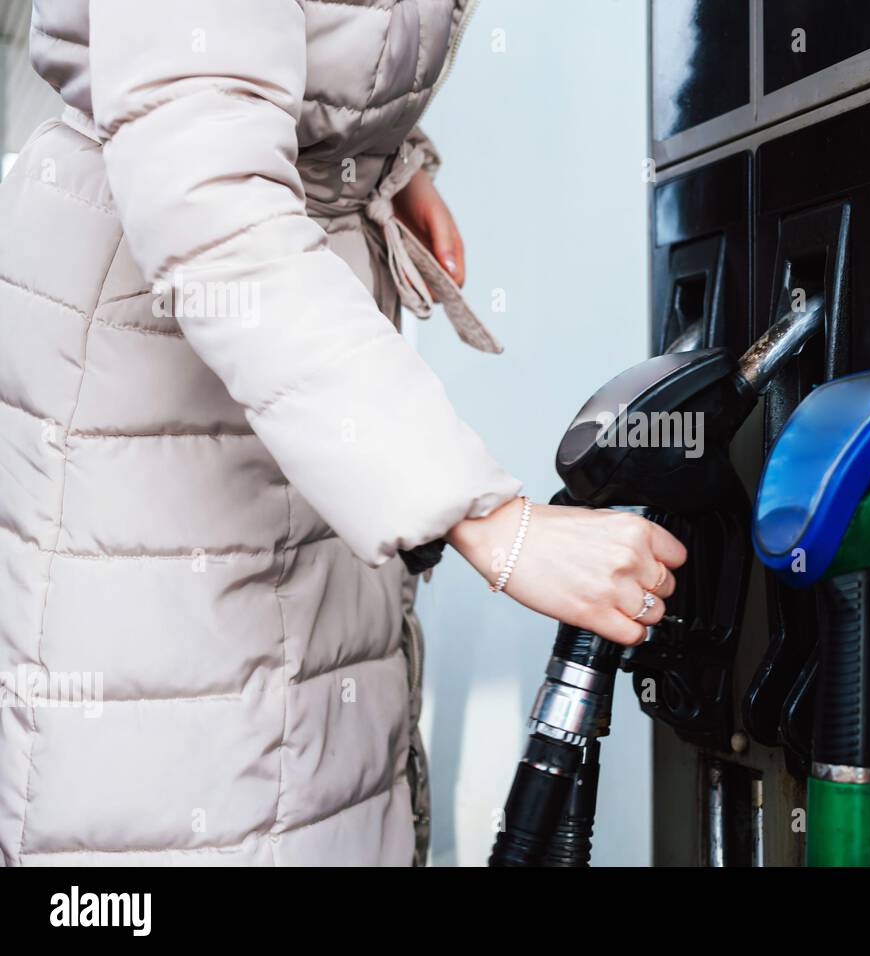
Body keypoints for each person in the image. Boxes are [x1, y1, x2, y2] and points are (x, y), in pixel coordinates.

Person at [0, 0, 685, 866]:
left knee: (315, 787)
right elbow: (206, 197)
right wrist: (493, 524)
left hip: (267, 368)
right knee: (195, 801)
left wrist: (367, 159)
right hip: (163, 386)